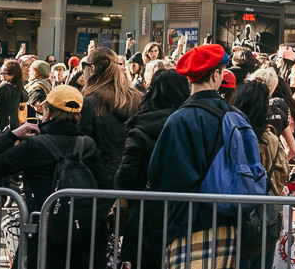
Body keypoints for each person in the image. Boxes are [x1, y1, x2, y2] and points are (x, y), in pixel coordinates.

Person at [148, 44, 266, 260]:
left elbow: (160, 175)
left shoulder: (178, 120)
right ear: (215, 74)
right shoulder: (235, 116)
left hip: (186, 225)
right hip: (228, 223)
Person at [0, 85, 99, 269]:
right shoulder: (87, 145)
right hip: (80, 229)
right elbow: (104, 182)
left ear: (48, 112)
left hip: (42, 227)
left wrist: (10, 135)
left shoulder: (34, 145)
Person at [114, 69, 191, 269]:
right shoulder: (189, 124)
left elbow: (126, 176)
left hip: (147, 209)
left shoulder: (141, 124)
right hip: (185, 210)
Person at [79, 46, 141, 189]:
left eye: (85, 66)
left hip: (98, 181)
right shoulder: (136, 98)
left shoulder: (87, 103)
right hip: (131, 177)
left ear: (92, 69)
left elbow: (83, 143)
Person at [0, 59, 27, 132]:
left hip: (0, 125)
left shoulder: (3, 87)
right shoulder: (18, 87)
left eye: (2, 73)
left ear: (11, 75)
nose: (0, 74)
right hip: (14, 124)